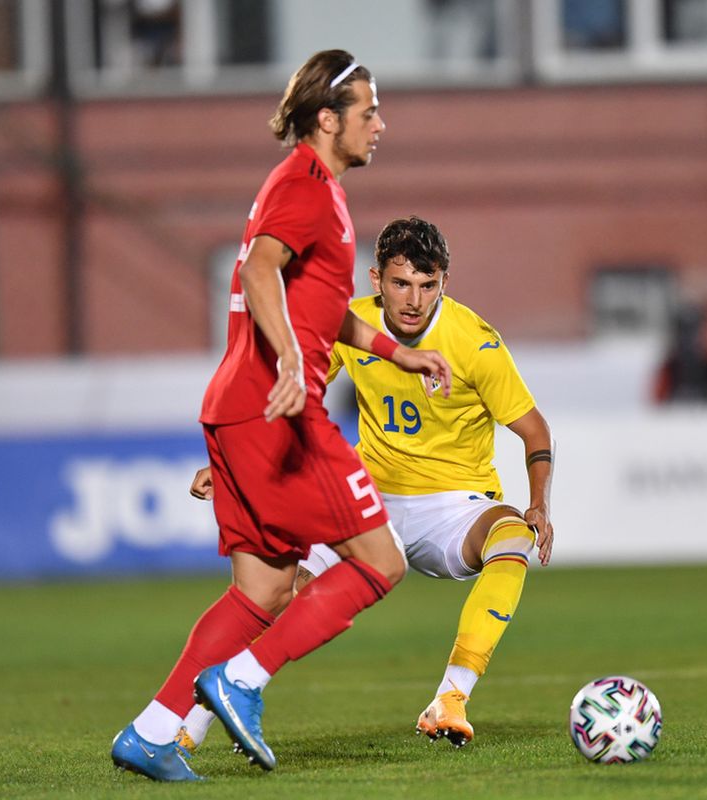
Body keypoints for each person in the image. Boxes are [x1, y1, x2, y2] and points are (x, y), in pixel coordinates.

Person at [109, 50, 452, 782]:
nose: (380, 125)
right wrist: (293, 362)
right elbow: (260, 269)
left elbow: (318, 305)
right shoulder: (307, 186)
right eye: (368, 112)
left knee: (261, 590)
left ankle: (152, 731)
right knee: (381, 561)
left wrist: (395, 351)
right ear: (327, 118)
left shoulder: (303, 186)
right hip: (278, 410)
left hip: (238, 408)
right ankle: (243, 679)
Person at [181, 215, 554, 752]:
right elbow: (288, 393)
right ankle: (190, 724)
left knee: (513, 537)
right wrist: (227, 465)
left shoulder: (475, 343)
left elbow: (534, 429)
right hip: (367, 497)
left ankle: (450, 698)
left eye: (427, 285)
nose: (414, 300)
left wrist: (538, 504)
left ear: (444, 283)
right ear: (376, 279)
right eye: (401, 283)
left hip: (454, 507)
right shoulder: (351, 324)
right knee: (278, 588)